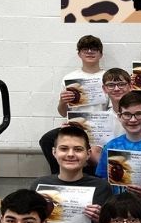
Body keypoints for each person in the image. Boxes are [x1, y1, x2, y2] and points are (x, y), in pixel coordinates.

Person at [30, 124, 112, 223]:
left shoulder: (101, 187)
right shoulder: (39, 186)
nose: (70, 154)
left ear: (88, 154)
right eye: (64, 148)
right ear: (54, 152)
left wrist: (101, 220)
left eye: (78, 149)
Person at [39, 34, 105, 175]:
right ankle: (59, 176)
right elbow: (63, 112)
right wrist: (63, 101)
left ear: (101, 54)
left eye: (94, 49)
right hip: (76, 126)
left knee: (93, 155)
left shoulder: (107, 77)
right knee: (47, 140)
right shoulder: (69, 78)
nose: (89, 52)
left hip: (100, 129)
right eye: (85, 49)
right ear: (79, 54)